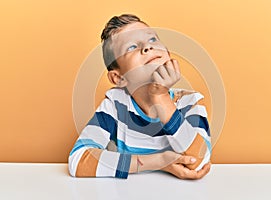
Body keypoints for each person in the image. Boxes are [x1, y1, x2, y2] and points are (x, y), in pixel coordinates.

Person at [68, 14, 211, 180]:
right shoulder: (115, 106)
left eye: (152, 39)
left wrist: (161, 97)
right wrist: (158, 162)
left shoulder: (190, 102)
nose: (147, 48)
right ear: (119, 78)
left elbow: (199, 163)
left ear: (167, 53)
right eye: (131, 47)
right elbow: (78, 160)